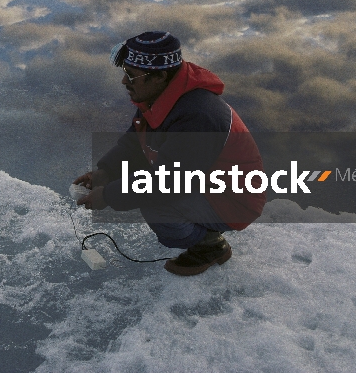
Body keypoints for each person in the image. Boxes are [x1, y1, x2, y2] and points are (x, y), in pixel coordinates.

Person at [73, 31, 265, 276]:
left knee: (156, 204)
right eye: (124, 73)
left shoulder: (198, 116)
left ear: (160, 76)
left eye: (131, 75)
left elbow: (168, 184)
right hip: (202, 180)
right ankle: (204, 231)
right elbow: (135, 143)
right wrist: (106, 172)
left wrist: (108, 196)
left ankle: (210, 245)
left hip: (234, 199)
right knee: (142, 181)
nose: (124, 82)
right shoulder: (157, 98)